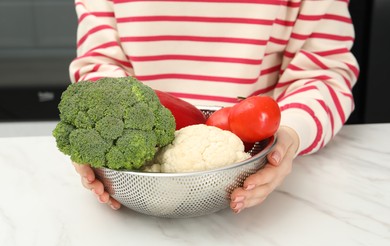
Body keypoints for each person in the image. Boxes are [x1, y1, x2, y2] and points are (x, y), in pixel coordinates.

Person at [69, 0, 359, 213]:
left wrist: (290, 135)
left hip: (255, 169)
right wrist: (96, 130)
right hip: (138, 180)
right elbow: (100, 63)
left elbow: (324, 73)